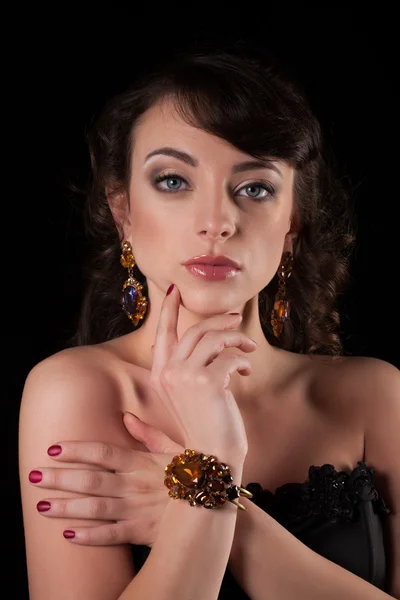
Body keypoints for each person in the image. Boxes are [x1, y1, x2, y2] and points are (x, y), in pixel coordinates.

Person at [18, 48, 399, 600]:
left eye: (255, 188)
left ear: (291, 224)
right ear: (122, 212)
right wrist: (215, 460)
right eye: (173, 181)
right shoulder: (77, 391)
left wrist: (214, 502)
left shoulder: (372, 394)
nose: (217, 222)